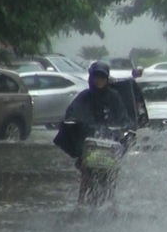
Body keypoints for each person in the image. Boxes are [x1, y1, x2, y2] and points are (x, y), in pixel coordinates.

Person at [53, 61, 133, 205]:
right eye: (96, 77)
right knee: (86, 174)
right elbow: (72, 113)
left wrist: (122, 129)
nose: (99, 80)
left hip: (109, 146)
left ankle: (111, 204)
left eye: (102, 77)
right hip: (89, 146)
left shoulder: (114, 97)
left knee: (111, 175)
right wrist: (73, 122)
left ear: (107, 79)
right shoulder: (84, 96)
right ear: (91, 78)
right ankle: (81, 204)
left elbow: (124, 118)